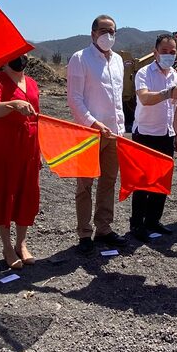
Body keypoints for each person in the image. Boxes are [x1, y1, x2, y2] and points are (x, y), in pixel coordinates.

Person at [67, 14, 128, 254]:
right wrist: (93, 123)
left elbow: (117, 100)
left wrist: (120, 128)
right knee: (85, 185)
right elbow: (74, 99)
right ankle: (84, 233)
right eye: (103, 31)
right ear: (93, 33)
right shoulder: (80, 59)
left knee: (108, 182)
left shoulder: (118, 61)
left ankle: (104, 228)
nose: (108, 35)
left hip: (114, 133)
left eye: (112, 31)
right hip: (88, 133)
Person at [0, 54, 41, 268]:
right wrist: (13, 104)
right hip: (4, 145)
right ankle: (6, 246)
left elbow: (36, 116)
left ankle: (21, 243)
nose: (19, 59)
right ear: (4, 59)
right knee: (5, 192)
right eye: (14, 55)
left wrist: (39, 148)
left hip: (29, 145)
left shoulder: (32, 82)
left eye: (22, 55)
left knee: (26, 192)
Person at [128, 34, 177, 240]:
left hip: (166, 135)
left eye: (172, 52)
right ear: (155, 52)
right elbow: (144, 98)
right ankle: (137, 224)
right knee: (142, 183)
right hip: (145, 134)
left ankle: (153, 220)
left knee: (161, 181)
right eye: (164, 52)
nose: (169, 56)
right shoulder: (144, 73)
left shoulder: (176, 76)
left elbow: (176, 108)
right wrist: (168, 93)